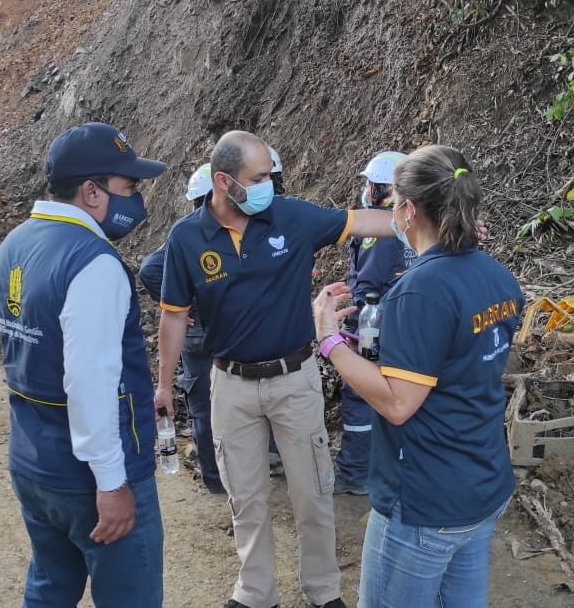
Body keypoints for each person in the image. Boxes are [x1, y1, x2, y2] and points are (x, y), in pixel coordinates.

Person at [155, 130, 398, 608]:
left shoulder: (290, 216)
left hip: (295, 379)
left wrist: (434, 219)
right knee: (246, 500)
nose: (270, 185)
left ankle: (323, 591)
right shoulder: (186, 239)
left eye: (270, 174)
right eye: (259, 177)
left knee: (313, 495)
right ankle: (254, 593)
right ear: (225, 182)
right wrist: (164, 384)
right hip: (230, 386)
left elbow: (367, 220)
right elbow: (173, 314)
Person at [312, 144, 522, 607]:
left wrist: (329, 341)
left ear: (406, 210)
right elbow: (457, 363)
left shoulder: (418, 292)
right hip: (483, 483)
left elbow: (398, 403)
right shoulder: (497, 275)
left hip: (426, 497)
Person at [0, 122, 166, 608]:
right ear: (92, 191)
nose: (137, 200)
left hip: (32, 462)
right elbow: (89, 382)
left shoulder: (15, 245)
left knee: (50, 588)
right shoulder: (94, 263)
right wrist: (112, 482)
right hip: (88, 480)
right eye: (129, 187)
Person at [140, 163, 225, 494]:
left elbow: (151, 270)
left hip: (195, 336)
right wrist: (180, 307)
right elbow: (150, 269)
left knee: (203, 407)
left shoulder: (187, 233)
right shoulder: (221, 231)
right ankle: (234, 471)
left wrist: (179, 304)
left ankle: (215, 478)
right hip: (216, 332)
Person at [335, 151, 416, 496]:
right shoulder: (413, 224)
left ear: (381, 188)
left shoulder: (377, 232)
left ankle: (354, 473)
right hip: (404, 323)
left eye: (370, 183)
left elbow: (367, 286)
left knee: (360, 397)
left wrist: (356, 337)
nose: (366, 189)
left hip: (375, 323)